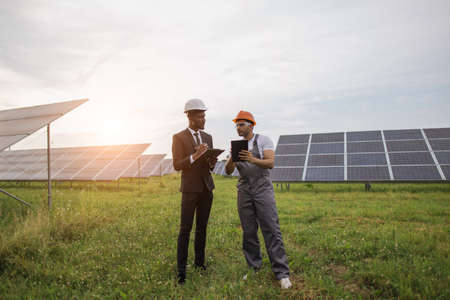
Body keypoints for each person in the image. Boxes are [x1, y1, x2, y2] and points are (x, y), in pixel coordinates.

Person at [225, 110, 292, 289]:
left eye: (241, 124)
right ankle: (254, 267)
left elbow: (270, 163)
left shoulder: (263, 140)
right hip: (244, 190)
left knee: (271, 228)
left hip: (262, 189)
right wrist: (232, 157)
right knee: (249, 231)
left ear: (251, 125)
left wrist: (252, 158)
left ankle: (282, 273)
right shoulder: (237, 145)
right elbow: (229, 170)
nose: (238, 128)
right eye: (236, 125)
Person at [172, 98, 217, 285]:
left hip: (207, 187)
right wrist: (194, 156)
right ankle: (181, 271)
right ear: (190, 117)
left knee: (202, 228)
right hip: (190, 190)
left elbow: (210, 165)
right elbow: (176, 165)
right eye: (200, 116)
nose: (204, 119)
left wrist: (211, 161)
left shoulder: (208, 137)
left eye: (204, 116)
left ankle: (200, 263)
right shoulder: (179, 138)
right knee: (185, 229)